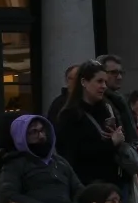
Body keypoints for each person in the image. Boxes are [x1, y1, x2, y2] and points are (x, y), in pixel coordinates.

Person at [56, 60, 131, 191]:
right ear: (84, 82)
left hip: (113, 183)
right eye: (99, 81)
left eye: (105, 82)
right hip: (86, 186)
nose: (104, 86)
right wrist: (111, 143)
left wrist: (119, 139)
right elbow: (71, 153)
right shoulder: (69, 114)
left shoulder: (107, 108)